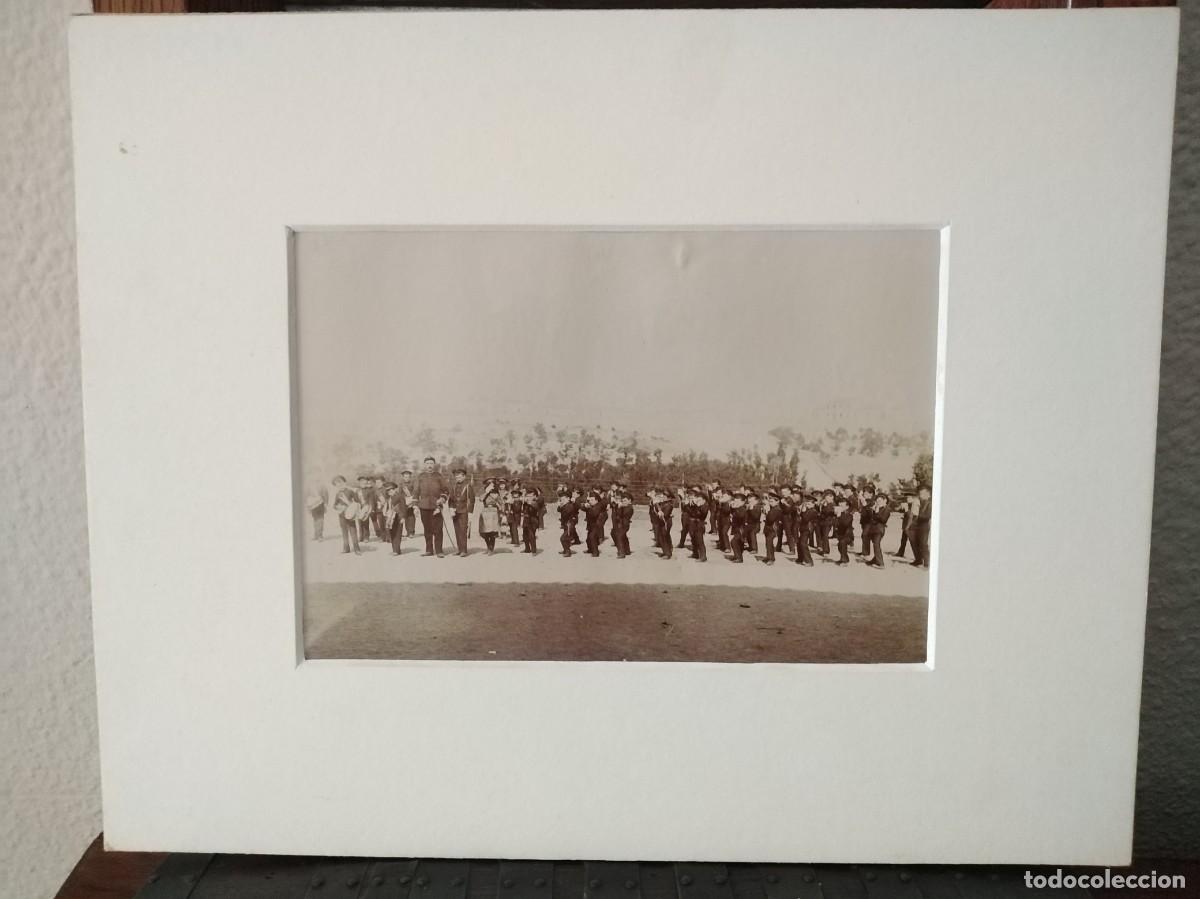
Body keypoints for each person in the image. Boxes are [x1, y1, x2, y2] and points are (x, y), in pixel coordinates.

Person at [415, 456, 448, 557]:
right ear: (425, 465)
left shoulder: (439, 476)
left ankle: (439, 551)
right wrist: (415, 506)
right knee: (427, 529)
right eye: (427, 463)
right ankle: (429, 550)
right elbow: (416, 491)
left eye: (431, 463)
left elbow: (446, 490)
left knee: (438, 529)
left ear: (434, 465)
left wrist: (442, 499)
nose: (429, 465)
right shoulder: (420, 476)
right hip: (424, 507)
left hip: (436, 507)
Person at [331, 475, 361, 555]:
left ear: (344, 482)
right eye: (336, 484)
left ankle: (357, 549)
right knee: (344, 532)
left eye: (340, 482)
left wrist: (349, 504)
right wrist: (338, 507)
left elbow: (358, 502)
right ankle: (346, 548)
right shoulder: (338, 494)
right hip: (341, 515)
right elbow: (334, 505)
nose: (339, 485)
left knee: (353, 531)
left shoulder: (351, 491)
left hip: (351, 515)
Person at [448, 468, 475, 557]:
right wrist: (451, 508)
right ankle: (459, 549)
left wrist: (470, 512)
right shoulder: (454, 486)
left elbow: (472, 500)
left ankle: (464, 550)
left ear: (464, 476)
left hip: (464, 511)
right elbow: (451, 499)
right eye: (456, 477)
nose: (458, 478)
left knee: (463, 530)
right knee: (457, 530)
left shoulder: (468, 486)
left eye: (459, 476)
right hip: (455, 512)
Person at [865, 494, 890, 568]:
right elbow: (870, 518)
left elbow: (883, 520)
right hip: (873, 529)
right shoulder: (876, 508)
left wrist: (876, 512)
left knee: (876, 544)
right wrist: (872, 511)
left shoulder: (887, 509)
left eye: (880, 501)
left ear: (885, 501)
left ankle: (880, 563)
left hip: (879, 530)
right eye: (877, 501)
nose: (878, 502)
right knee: (875, 544)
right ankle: (875, 559)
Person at [911, 485, 932, 568]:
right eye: (920, 493)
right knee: (916, 543)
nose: (920, 495)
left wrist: (917, 515)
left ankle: (927, 563)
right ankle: (918, 560)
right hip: (918, 525)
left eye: (923, 493)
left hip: (924, 525)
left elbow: (928, 516)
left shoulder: (930, 503)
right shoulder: (919, 502)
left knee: (923, 544)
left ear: (929, 494)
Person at [895, 492, 919, 559]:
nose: (907, 499)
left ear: (912, 498)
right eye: (907, 498)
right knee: (903, 540)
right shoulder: (906, 504)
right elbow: (897, 509)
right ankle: (900, 553)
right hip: (905, 524)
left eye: (909, 497)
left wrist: (907, 512)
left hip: (911, 525)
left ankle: (918, 557)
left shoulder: (915, 504)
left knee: (912, 541)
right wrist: (901, 507)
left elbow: (915, 515)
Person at [795, 494, 817, 566]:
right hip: (803, 528)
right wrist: (800, 512)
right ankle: (800, 558)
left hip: (807, 529)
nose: (807, 505)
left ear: (813, 504)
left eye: (809, 504)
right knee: (799, 543)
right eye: (806, 503)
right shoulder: (808, 510)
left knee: (803, 544)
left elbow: (806, 519)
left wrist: (803, 512)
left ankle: (809, 561)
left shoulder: (813, 511)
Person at [687, 487, 708, 562]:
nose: (698, 501)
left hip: (700, 525)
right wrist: (689, 505)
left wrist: (697, 506)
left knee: (700, 541)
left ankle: (703, 556)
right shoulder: (697, 506)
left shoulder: (705, 506)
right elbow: (691, 513)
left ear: (704, 500)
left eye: (699, 499)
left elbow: (701, 514)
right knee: (694, 540)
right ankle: (695, 553)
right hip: (694, 524)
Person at [761, 492, 782, 564]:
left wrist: (767, 511)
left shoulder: (777, 509)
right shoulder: (773, 508)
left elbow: (770, 519)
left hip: (773, 529)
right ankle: (769, 556)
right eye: (770, 501)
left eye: (772, 501)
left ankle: (771, 559)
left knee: (769, 542)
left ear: (777, 501)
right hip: (768, 528)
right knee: (768, 543)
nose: (770, 503)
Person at [558, 490, 579, 557]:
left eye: (564, 499)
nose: (562, 501)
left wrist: (561, 506)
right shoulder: (565, 505)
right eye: (561, 500)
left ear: (568, 499)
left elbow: (566, 513)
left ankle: (568, 551)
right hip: (566, 524)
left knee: (563, 538)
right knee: (566, 538)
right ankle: (565, 550)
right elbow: (558, 510)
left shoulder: (570, 506)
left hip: (570, 524)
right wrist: (560, 506)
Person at [834, 498, 853, 565]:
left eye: (842, 506)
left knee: (842, 543)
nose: (840, 507)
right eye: (839, 506)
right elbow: (835, 524)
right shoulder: (838, 514)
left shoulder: (849, 515)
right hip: (841, 534)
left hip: (848, 535)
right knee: (840, 546)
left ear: (847, 507)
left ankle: (844, 561)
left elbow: (845, 524)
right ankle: (845, 558)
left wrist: (839, 517)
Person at [728, 493, 747, 563]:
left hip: (741, 529)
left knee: (734, 542)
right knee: (739, 543)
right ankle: (738, 556)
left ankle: (739, 557)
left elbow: (741, 516)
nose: (735, 503)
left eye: (737, 501)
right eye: (735, 501)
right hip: (737, 528)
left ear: (743, 502)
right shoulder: (738, 508)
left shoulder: (743, 508)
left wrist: (735, 509)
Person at [521, 489, 540, 554]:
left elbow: (536, 507)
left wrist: (530, 503)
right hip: (526, 520)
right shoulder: (526, 503)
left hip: (533, 520)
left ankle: (534, 551)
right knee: (525, 535)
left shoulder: (536, 502)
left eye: (531, 496)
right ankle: (527, 549)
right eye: (528, 496)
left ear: (535, 496)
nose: (529, 498)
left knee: (531, 535)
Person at [398, 470, 417, 537]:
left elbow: (415, 492)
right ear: (403, 477)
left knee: (411, 517)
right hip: (404, 502)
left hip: (411, 501)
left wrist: (411, 500)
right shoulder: (401, 484)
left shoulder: (413, 483)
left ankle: (411, 532)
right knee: (405, 517)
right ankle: (408, 532)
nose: (407, 478)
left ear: (410, 477)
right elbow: (399, 493)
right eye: (405, 477)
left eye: (408, 477)